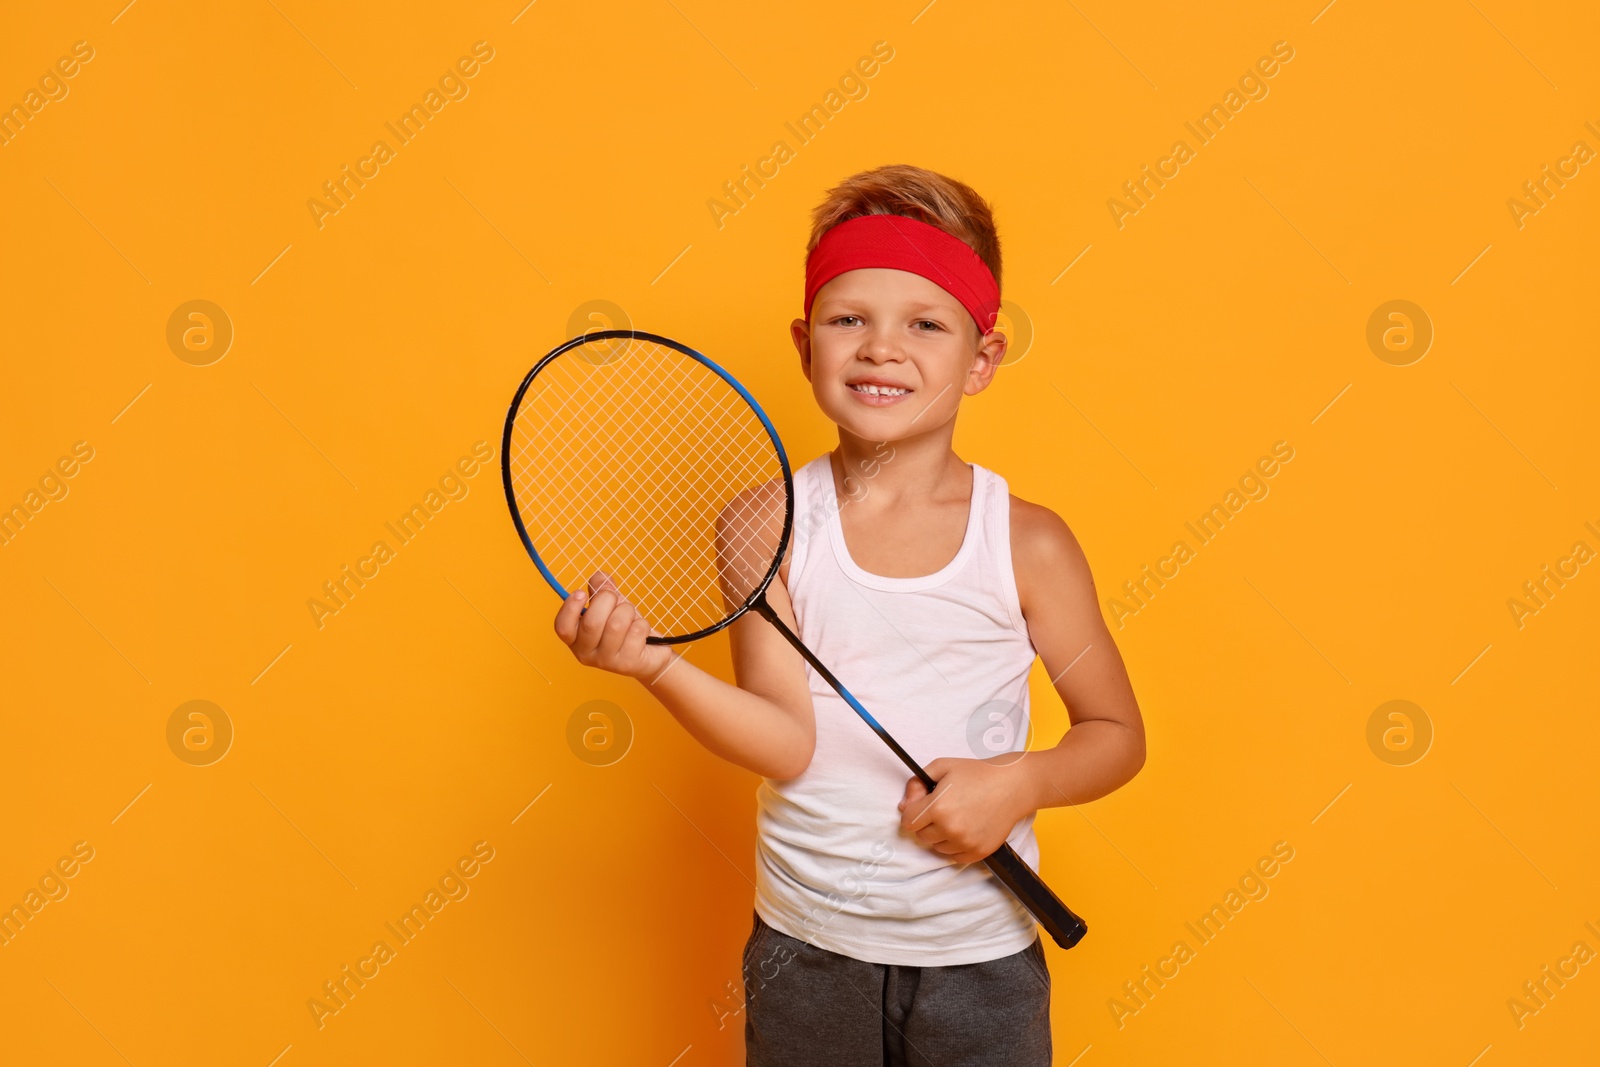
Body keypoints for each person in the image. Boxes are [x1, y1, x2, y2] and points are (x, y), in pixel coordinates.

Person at [553, 163, 1145, 1066]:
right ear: (805, 345)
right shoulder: (762, 525)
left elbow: (1114, 734)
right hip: (804, 949)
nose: (880, 348)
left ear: (981, 359)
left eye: (925, 323)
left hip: (978, 955)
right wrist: (653, 665)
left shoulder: (1028, 543)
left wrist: (1019, 781)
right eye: (848, 319)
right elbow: (788, 740)